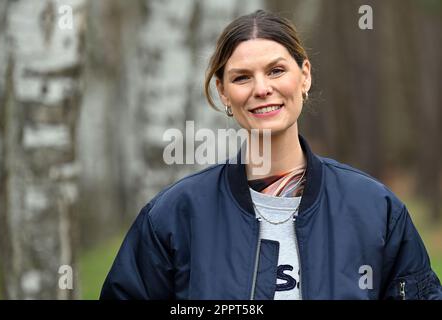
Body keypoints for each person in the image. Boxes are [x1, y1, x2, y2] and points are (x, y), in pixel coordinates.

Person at [100, 9, 442, 300]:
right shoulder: (175, 216)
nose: (262, 89)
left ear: (304, 76)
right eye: (242, 77)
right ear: (223, 92)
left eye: (276, 70)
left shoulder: (374, 209)